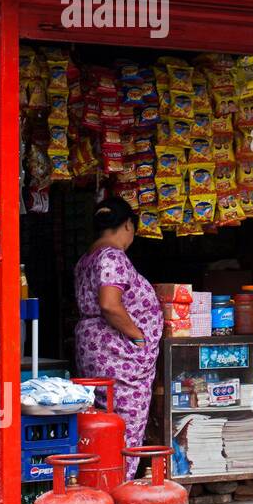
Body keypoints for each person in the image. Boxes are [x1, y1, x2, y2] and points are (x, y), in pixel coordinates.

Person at [73, 197, 163, 480]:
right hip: (119, 355)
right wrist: (139, 339)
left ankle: (101, 484)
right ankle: (117, 489)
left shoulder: (86, 259)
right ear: (128, 225)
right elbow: (110, 304)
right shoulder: (112, 256)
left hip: (99, 350)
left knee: (102, 422)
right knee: (125, 424)